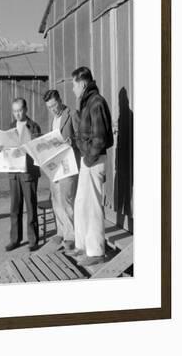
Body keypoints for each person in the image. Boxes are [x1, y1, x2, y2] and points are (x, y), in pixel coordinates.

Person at [65, 67, 113, 266]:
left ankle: (95, 252)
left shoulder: (96, 102)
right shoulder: (87, 103)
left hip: (93, 160)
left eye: (74, 85)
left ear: (83, 84)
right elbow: (86, 134)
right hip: (88, 160)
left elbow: (100, 138)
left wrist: (89, 158)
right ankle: (82, 246)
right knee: (81, 204)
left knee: (92, 206)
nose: (73, 89)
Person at [0, 97, 41, 253]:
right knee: (15, 207)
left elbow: (38, 148)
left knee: (31, 206)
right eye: (15, 111)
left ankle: (33, 240)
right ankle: (15, 239)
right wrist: (1, 147)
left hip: (29, 172)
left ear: (26, 110)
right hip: (13, 172)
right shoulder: (10, 127)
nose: (17, 114)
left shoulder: (33, 126)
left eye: (20, 110)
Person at [43, 89, 80, 251]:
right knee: (56, 200)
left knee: (67, 200)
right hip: (54, 165)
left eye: (54, 105)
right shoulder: (53, 119)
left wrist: (73, 140)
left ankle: (72, 236)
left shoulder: (72, 114)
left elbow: (83, 136)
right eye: (49, 107)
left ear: (60, 100)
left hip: (68, 164)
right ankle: (61, 232)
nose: (53, 110)